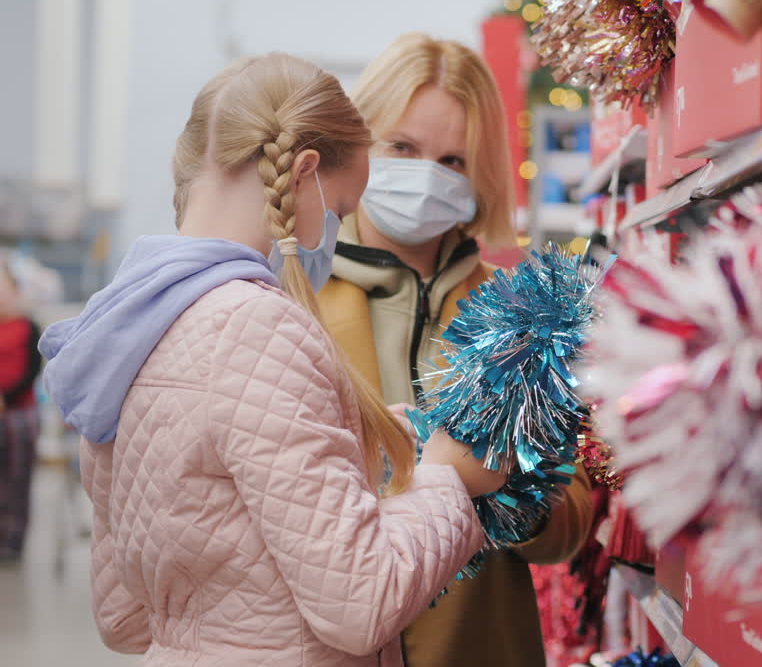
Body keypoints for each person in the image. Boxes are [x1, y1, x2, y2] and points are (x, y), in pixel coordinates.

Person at [38, 53, 505, 666]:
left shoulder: (123, 329)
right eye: (338, 210)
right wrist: (446, 478)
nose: (334, 234)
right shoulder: (260, 329)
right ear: (304, 171)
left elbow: (123, 617)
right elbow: (361, 602)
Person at [316, 33, 595, 667]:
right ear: (358, 146)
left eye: (453, 161)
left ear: (482, 173)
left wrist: (509, 493)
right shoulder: (293, 298)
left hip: (478, 644)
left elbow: (573, 515)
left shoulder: (521, 312)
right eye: (403, 148)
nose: (425, 177)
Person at [0, 253, 42, 562]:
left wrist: (6, 398)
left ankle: (13, 540)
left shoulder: (28, 327)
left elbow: (30, 370)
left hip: (19, 414)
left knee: (17, 477)